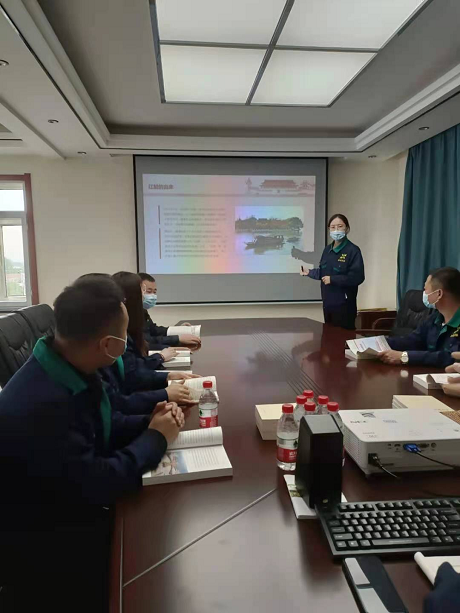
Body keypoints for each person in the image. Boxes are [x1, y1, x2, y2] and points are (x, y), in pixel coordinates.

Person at [0, 275, 184, 611]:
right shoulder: (45, 404)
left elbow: (106, 422)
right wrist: (156, 438)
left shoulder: (67, 362)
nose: (127, 344)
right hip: (51, 553)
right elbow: (99, 481)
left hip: (70, 509)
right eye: (124, 336)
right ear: (108, 345)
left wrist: (151, 421)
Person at [112, 271, 197, 404]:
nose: (146, 296)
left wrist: (167, 376)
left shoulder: (134, 319)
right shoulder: (117, 335)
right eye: (143, 291)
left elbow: (136, 365)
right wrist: (164, 392)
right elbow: (131, 377)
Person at [379, 267, 460, 367]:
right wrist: (379, 343)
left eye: (425, 289)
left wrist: (405, 357)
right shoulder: (435, 318)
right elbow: (413, 340)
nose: (424, 294)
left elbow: (451, 357)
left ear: (439, 294)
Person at [298, 214, 365, 330]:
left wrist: (333, 279)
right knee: (328, 336)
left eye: (340, 226)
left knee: (343, 338)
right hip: (328, 304)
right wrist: (309, 272)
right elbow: (324, 273)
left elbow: (357, 277)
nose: (336, 230)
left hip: (344, 307)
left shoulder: (353, 250)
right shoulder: (327, 250)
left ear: (347, 229)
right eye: (333, 227)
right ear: (329, 229)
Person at [140, 272, 201, 349]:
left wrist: (178, 330)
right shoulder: (132, 313)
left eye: (154, 292)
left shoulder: (142, 310)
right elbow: (148, 341)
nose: (152, 295)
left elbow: (154, 330)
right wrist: (177, 339)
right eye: (149, 292)